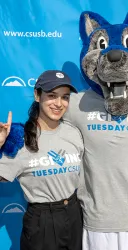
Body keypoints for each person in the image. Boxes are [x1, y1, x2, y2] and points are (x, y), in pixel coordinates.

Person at [0, 70, 84, 250]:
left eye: (65, 97)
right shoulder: (18, 138)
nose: (59, 104)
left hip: (74, 214)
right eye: (52, 96)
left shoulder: (74, 133)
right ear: (37, 95)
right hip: (42, 221)